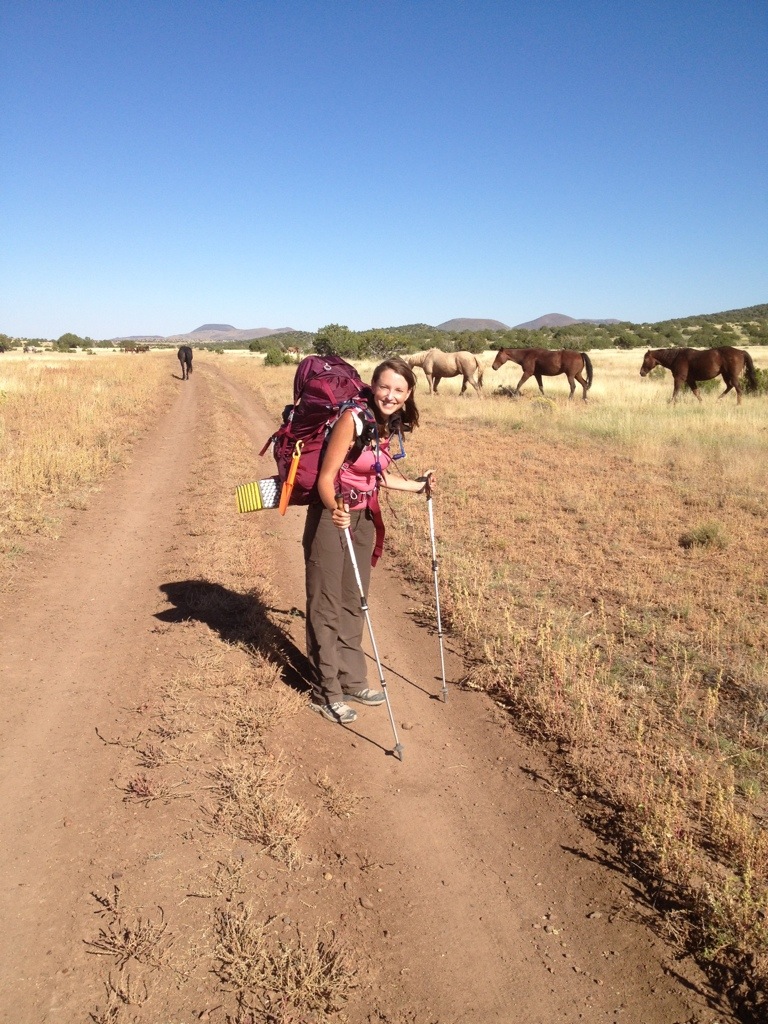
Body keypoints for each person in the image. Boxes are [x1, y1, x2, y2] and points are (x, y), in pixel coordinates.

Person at [303, 356, 434, 725]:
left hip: (363, 518)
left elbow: (377, 476)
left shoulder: (388, 425)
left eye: (399, 390)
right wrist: (335, 509)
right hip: (333, 517)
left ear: (408, 395)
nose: (390, 395)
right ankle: (324, 691)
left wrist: (418, 486)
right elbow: (325, 479)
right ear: (373, 385)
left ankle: (351, 679)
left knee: (352, 601)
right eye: (385, 387)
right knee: (325, 603)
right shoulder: (352, 419)